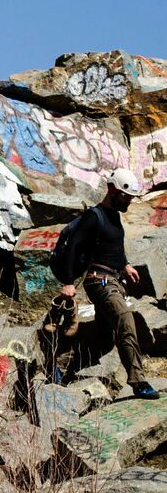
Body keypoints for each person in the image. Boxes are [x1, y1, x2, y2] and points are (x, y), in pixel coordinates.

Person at [57, 167, 160, 400]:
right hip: (99, 282)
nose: (129, 201)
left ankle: (59, 367)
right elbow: (72, 248)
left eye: (131, 197)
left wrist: (126, 265)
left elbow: (112, 247)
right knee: (125, 318)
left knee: (103, 340)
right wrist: (69, 282)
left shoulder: (114, 216)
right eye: (126, 196)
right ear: (112, 190)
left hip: (114, 279)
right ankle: (138, 381)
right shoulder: (93, 217)